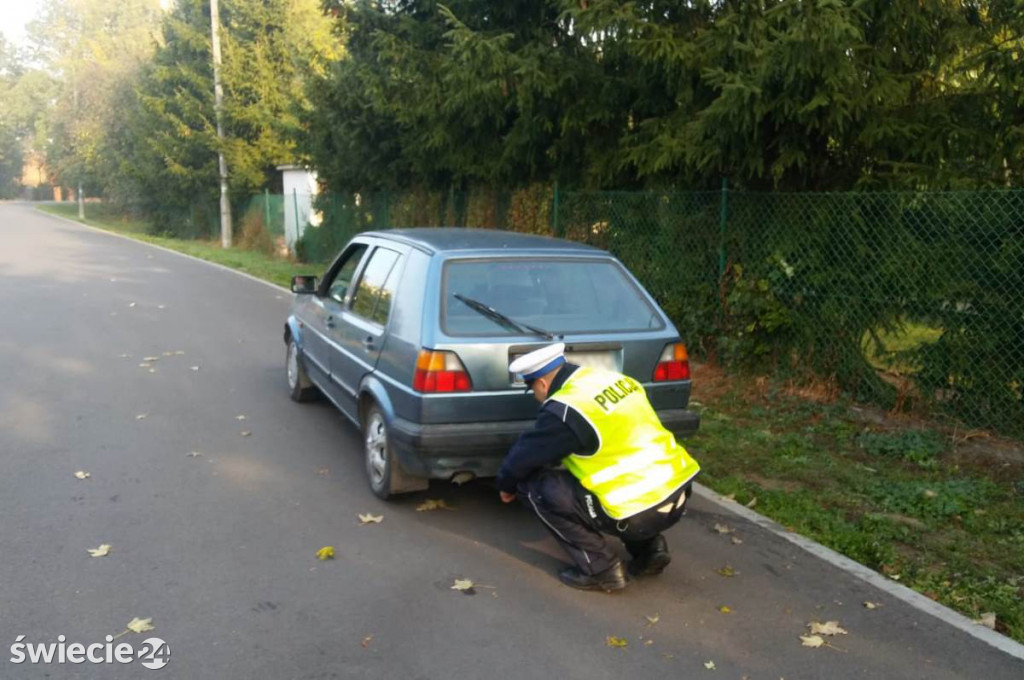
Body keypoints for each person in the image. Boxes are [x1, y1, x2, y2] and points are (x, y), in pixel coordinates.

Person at [497, 342, 701, 592]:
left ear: (541, 384)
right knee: (627, 484)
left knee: (534, 488)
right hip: (677, 492)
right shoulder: (614, 379)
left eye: (534, 391)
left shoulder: (565, 409)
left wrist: (506, 485)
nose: (539, 398)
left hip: (637, 512)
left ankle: (602, 569)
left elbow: (525, 457)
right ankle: (650, 550)